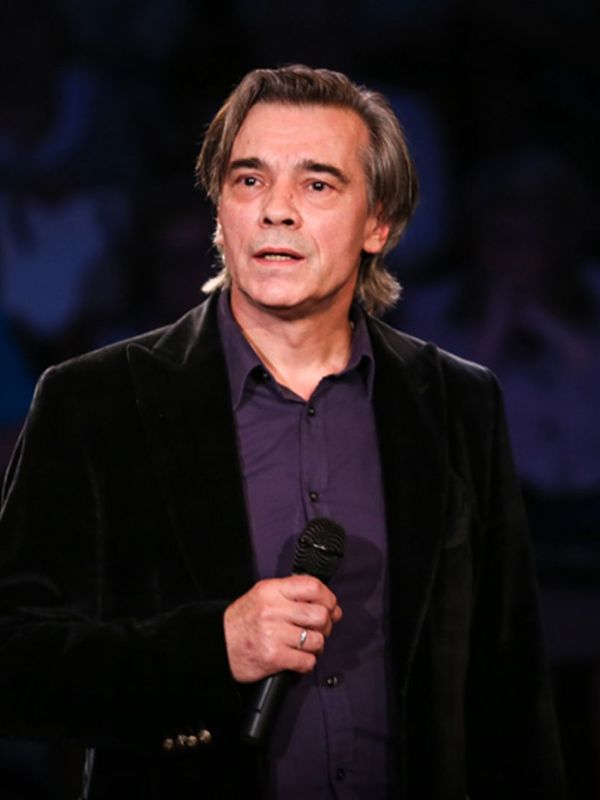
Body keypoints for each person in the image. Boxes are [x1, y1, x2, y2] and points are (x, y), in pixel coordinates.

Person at [0, 65, 565, 799]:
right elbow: (14, 659)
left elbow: (509, 690)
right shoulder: (95, 402)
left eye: (317, 184)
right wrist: (212, 649)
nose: (276, 211)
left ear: (378, 223)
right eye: (249, 180)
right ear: (220, 212)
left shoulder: (458, 403)